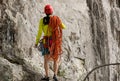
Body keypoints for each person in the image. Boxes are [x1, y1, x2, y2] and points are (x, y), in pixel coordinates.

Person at [35, 4, 66, 81]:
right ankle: (55, 75)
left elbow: (39, 32)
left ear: (45, 12)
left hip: (46, 42)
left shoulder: (42, 20)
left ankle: (47, 76)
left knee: (46, 60)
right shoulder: (56, 19)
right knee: (56, 59)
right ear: (52, 11)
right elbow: (63, 27)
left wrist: (36, 42)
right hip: (54, 42)